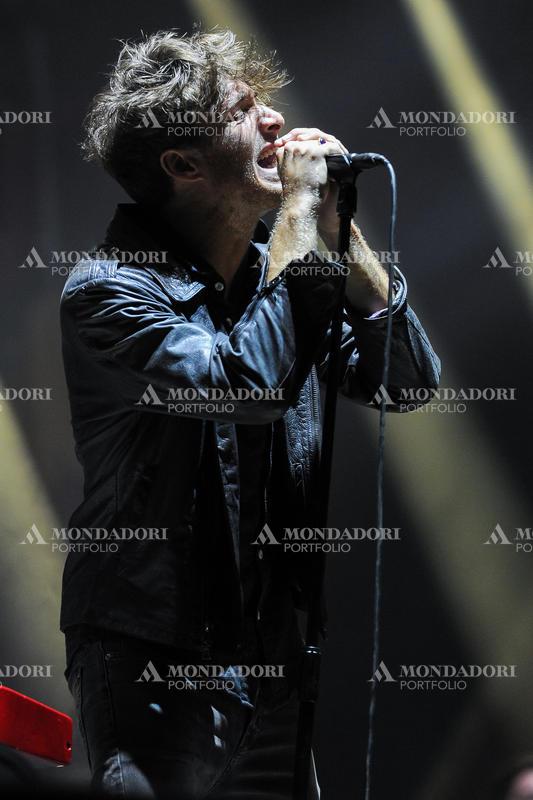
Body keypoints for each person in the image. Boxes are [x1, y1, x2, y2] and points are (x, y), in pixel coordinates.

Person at [60, 28, 440, 799]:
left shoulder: (284, 263)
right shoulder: (110, 292)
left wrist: (336, 226)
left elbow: (403, 381)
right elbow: (243, 387)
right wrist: (299, 209)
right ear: (183, 164)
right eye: (244, 110)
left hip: (270, 666)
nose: (276, 121)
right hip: (153, 660)